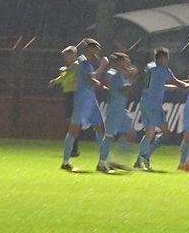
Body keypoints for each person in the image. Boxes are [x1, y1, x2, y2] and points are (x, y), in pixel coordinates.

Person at [135, 48, 189, 171]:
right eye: (167, 58)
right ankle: (143, 159)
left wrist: (167, 87)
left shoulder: (149, 66)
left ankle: (143, 157)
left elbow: (155, 83)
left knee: (165, 132)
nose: (168, 60)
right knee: (150, 133)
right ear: (163, 58)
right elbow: (178, 83)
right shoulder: (163, 69)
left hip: (148, 102)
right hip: (152, 104)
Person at [60, 39, 111, 173]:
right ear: (89, 49)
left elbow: (91, 77)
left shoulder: (85, 62)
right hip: (82, 101)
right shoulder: (83, 62)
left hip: (90, 100)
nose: (97, 52)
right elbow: (90, 80)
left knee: (100, 128)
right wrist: (102, 85)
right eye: (96, 49)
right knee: (74, 130)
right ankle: (65, 162)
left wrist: (101, 68)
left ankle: (102, 162)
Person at [102, 52, 138, 169]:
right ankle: (101, 163)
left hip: (121, 110)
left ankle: (114, 161)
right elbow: (123, 89)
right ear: (118, 62)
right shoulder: (113, 74)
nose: (128, 64)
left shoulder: (120, 75)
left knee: (130, 134)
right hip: (114, 109)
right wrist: (131, 79)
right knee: (109, 136)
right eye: (125, 61)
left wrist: (130, 78)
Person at [50, 46, 81, 158]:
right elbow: (65, 78)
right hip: (68, 94)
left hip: (73, 94)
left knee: (72, 122)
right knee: (70, 122)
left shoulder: (76, 65)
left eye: (68, 55)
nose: (66, 58)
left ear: (73, 55)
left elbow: (66, 77)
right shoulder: (71, 67)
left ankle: (74, 149)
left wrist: (55, 80)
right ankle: (73, 148)